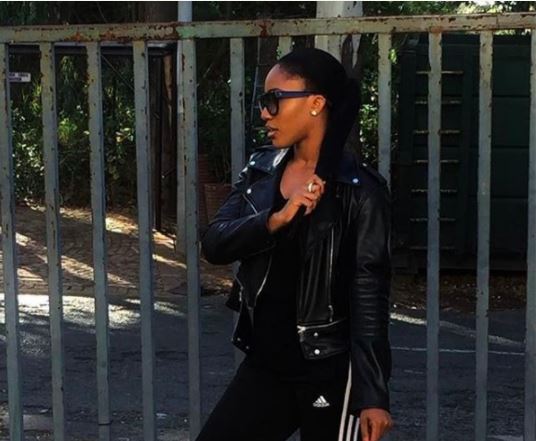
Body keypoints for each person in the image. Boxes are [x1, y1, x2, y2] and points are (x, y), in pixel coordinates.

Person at [198, 47, 393, 441]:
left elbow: (368, 294)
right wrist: (275, 219)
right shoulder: (261, 171)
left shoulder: (360, 191)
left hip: (330, 370)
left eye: (274, 100)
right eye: (263, 102)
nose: (264, 113)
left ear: (316, 103)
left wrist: (373, 394)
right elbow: (215, 243)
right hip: (266, 363)